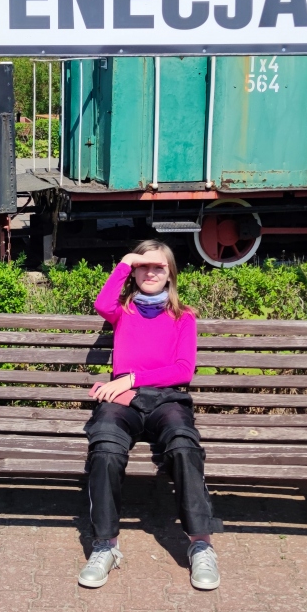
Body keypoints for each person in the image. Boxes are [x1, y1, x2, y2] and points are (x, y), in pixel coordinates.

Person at [78, 240, 220, 591]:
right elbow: (102, 304)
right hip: (122, 401)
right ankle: (105, 545)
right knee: (105, 448)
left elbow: (183, 370)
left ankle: (201, 544)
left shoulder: (183, 316)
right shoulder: (123, 311)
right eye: (143, 266)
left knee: (183, 446)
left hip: (166, 400)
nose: (151, 272)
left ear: (171, 273)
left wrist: (131, 379)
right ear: (134, 272)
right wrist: (125, 261)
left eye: (159, 266)